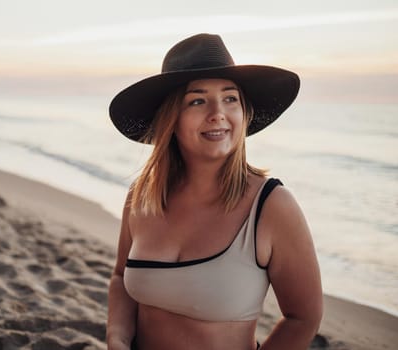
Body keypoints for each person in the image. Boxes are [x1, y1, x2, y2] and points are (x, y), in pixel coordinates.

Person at [106, 33, 322, 350]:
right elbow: (121, 278)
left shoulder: (271, 206)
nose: (217, 112)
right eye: (197, 100)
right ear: (171, 119)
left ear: (244, 112)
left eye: (230, 98)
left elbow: (303, 318)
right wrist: (117, 338)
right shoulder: (143, 196)